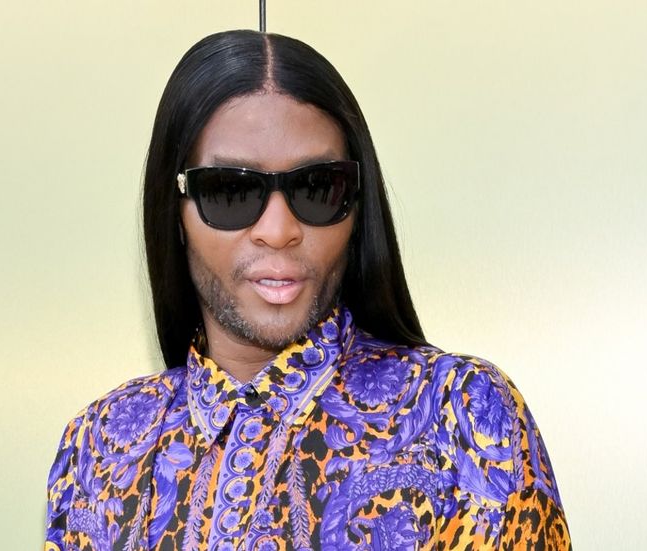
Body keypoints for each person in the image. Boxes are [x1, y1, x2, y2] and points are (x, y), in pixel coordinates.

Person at [44, 30, 571, 551]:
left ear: (357, 206)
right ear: (174, 211)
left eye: (317, 187)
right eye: (230, 191)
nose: (278, 230)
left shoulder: (460, 414)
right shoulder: (98, 445)